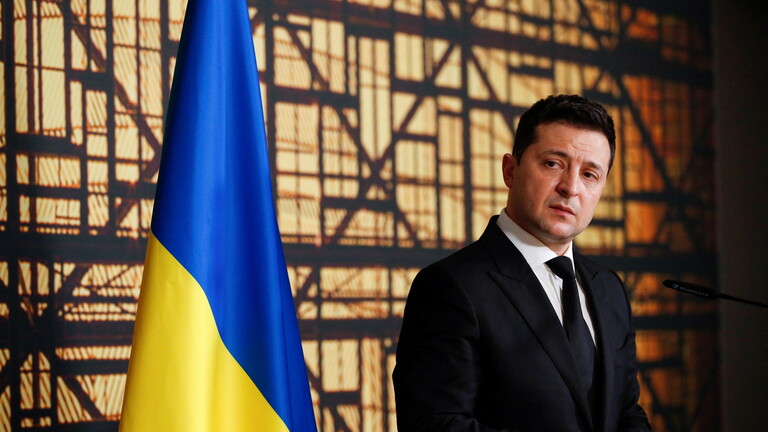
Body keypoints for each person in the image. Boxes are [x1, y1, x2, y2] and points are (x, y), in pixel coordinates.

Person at [393, 95, 651, 432]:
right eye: (553, 164)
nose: (570, 188)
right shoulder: (450, 286)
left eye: (590, 174)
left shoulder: (609, 288)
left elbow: (627, 411)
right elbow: (435, 424)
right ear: (510, 170)